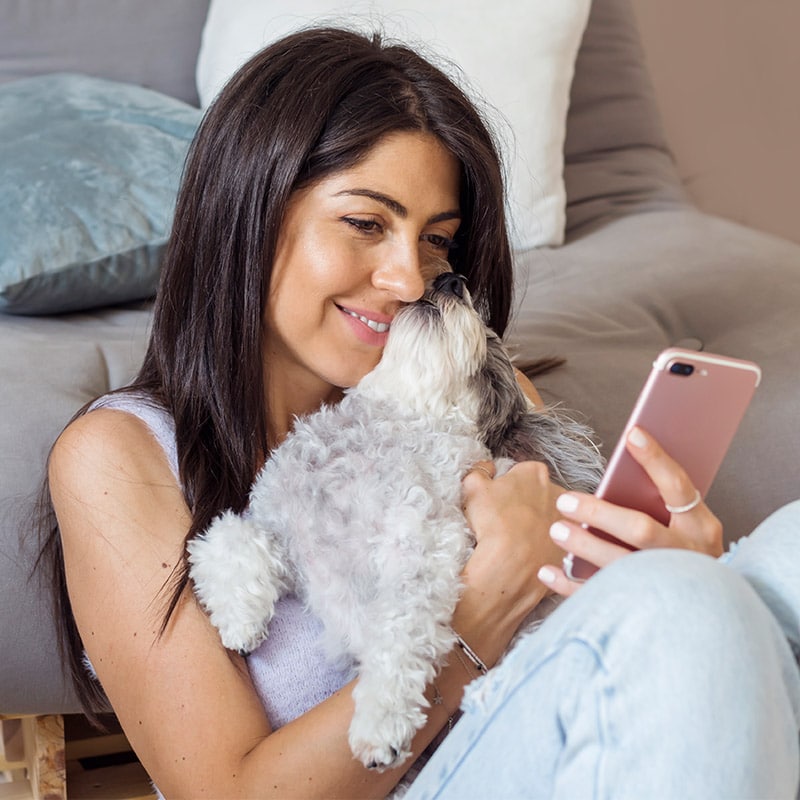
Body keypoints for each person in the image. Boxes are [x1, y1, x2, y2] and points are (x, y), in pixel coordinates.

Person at [40, 26, 800, 799]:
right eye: (366, 224)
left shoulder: (453, 383)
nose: (408, 278)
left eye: (436, 241)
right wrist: (477, 610)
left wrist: (685, 568)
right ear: (250, 210)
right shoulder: (121, 456)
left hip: (548, 731)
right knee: (685, 610)